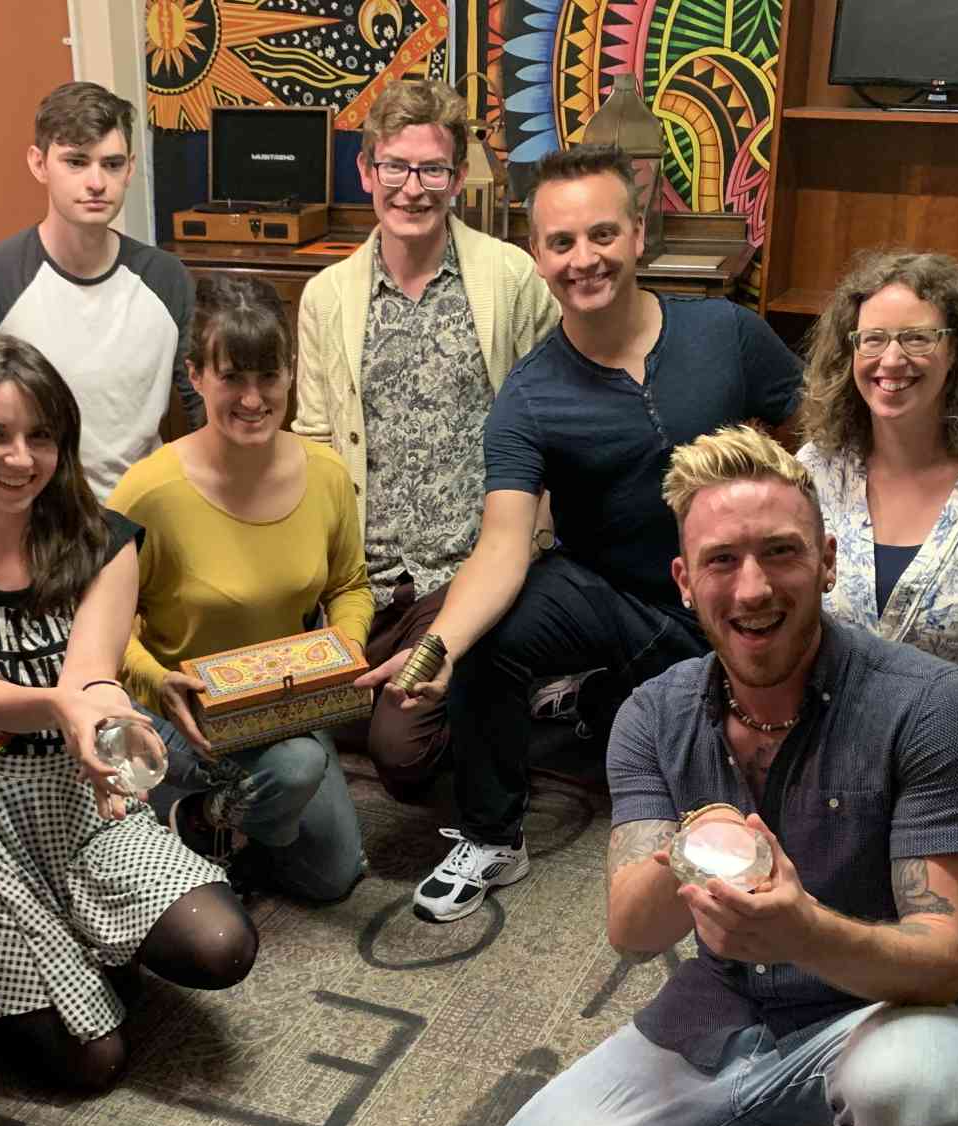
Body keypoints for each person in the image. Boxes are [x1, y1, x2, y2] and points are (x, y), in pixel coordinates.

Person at [460, 427, 958, 1126]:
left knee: (922, 1104)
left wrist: (803, 930)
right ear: (684, 581)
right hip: (723, 1010)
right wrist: (693, 841)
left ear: (827, 562)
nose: (752, 589)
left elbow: (943, 961)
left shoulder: (929, 706)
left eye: (781, 553)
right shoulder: (651, 715)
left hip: (877, 1011)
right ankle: (732, 1117)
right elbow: (633, 932)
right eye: (721, 561)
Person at [359, 143, 804, 923]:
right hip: (614, 595)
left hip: (741, 595)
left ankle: (615, 701)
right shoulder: (529, 397)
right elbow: (502, 544)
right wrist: (440, 647)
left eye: (602, 234)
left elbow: (814, 437)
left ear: (638, 234)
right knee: (491, 635)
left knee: (769, 811)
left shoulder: (726, 333)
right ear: (538, 255)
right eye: (561, 242)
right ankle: (493, 835)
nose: (584, 259)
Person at [0, 333, 258, 1092]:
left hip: (77, 793)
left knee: (222, 946)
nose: (20, 458)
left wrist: (114, 722)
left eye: (41, 437)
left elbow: (91, 675)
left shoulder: (102, 540)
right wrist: (65, 707)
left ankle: (81, 953)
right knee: (92, 1062)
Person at [293, 78, 558, 801]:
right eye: (396, 167)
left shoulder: (510, 279)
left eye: (432, 170)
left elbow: (552, 418)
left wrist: (534, 540)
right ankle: (478, 693)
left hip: (465, 572)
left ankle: (491, 680)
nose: (412, 189)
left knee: (400, 756)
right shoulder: (326, 296)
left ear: (458, 177)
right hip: (366, 578)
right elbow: (313, 442)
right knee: (300, 715)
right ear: (366, 171)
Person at [796, 250, 958, 942]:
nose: (892, 360)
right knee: (795, 925)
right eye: (873, 339)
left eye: (917, 338)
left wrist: (936, 777)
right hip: (835, 762)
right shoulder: (815, 469)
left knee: (924, 953)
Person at [109, 272, 373, 903]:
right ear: (196, 376)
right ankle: (198, 813)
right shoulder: (147, 493)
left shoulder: (326, 474)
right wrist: (156, 682)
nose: (253, 399)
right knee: (299, 769)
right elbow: (101, 630)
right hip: (182, 714)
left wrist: (342, 655)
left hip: (287, 706)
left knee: (336, 877)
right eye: (231, 377)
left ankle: (217, 826)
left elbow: (350, 585)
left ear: (291, 373)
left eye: (268, 376)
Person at [0, 81, 201, 494]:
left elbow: (203, 402)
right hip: (30, 510)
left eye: (112, 164)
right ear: (39, 164)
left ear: (131, 168)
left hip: (142, 508)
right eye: (76, 162)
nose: (96, 182)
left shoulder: (166, 278)